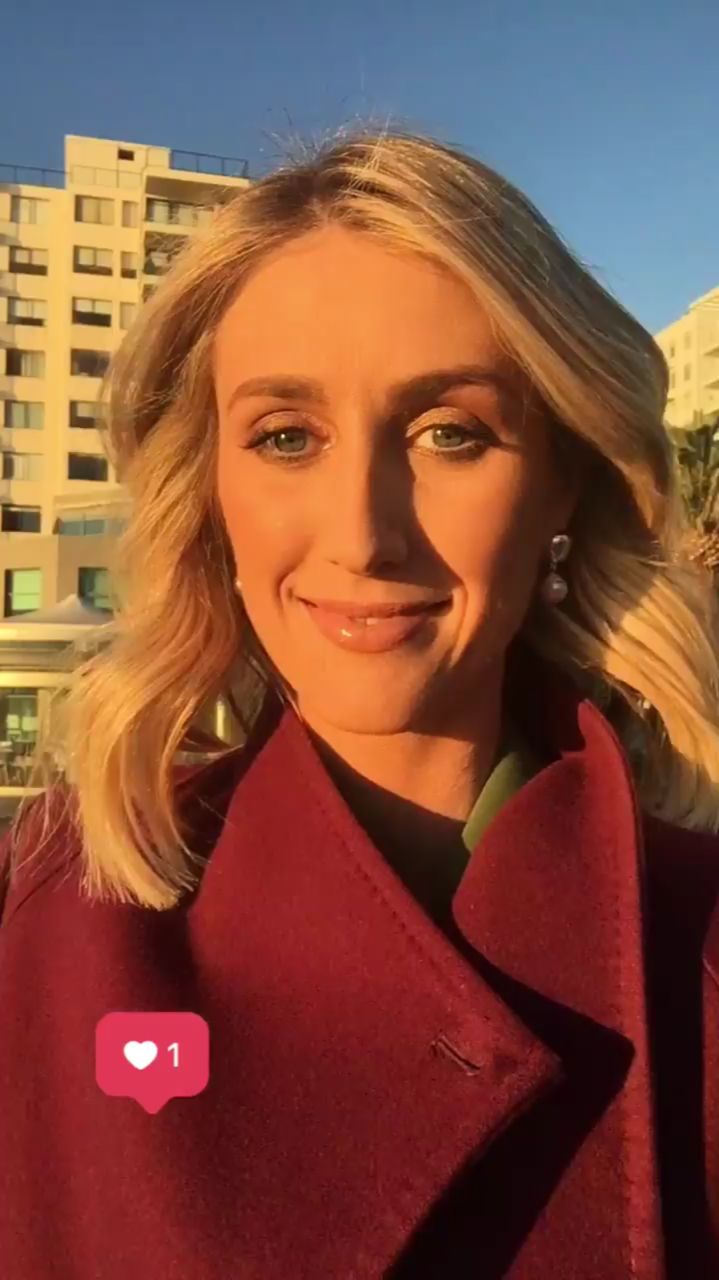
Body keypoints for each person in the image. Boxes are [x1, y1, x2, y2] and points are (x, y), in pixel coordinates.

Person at [0, 124, 718, 1280]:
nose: (362, 535)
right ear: (213, 489)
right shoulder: (53, 921)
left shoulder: (697, 936)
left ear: (562, 483)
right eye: (286, 436)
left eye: (449, 433)